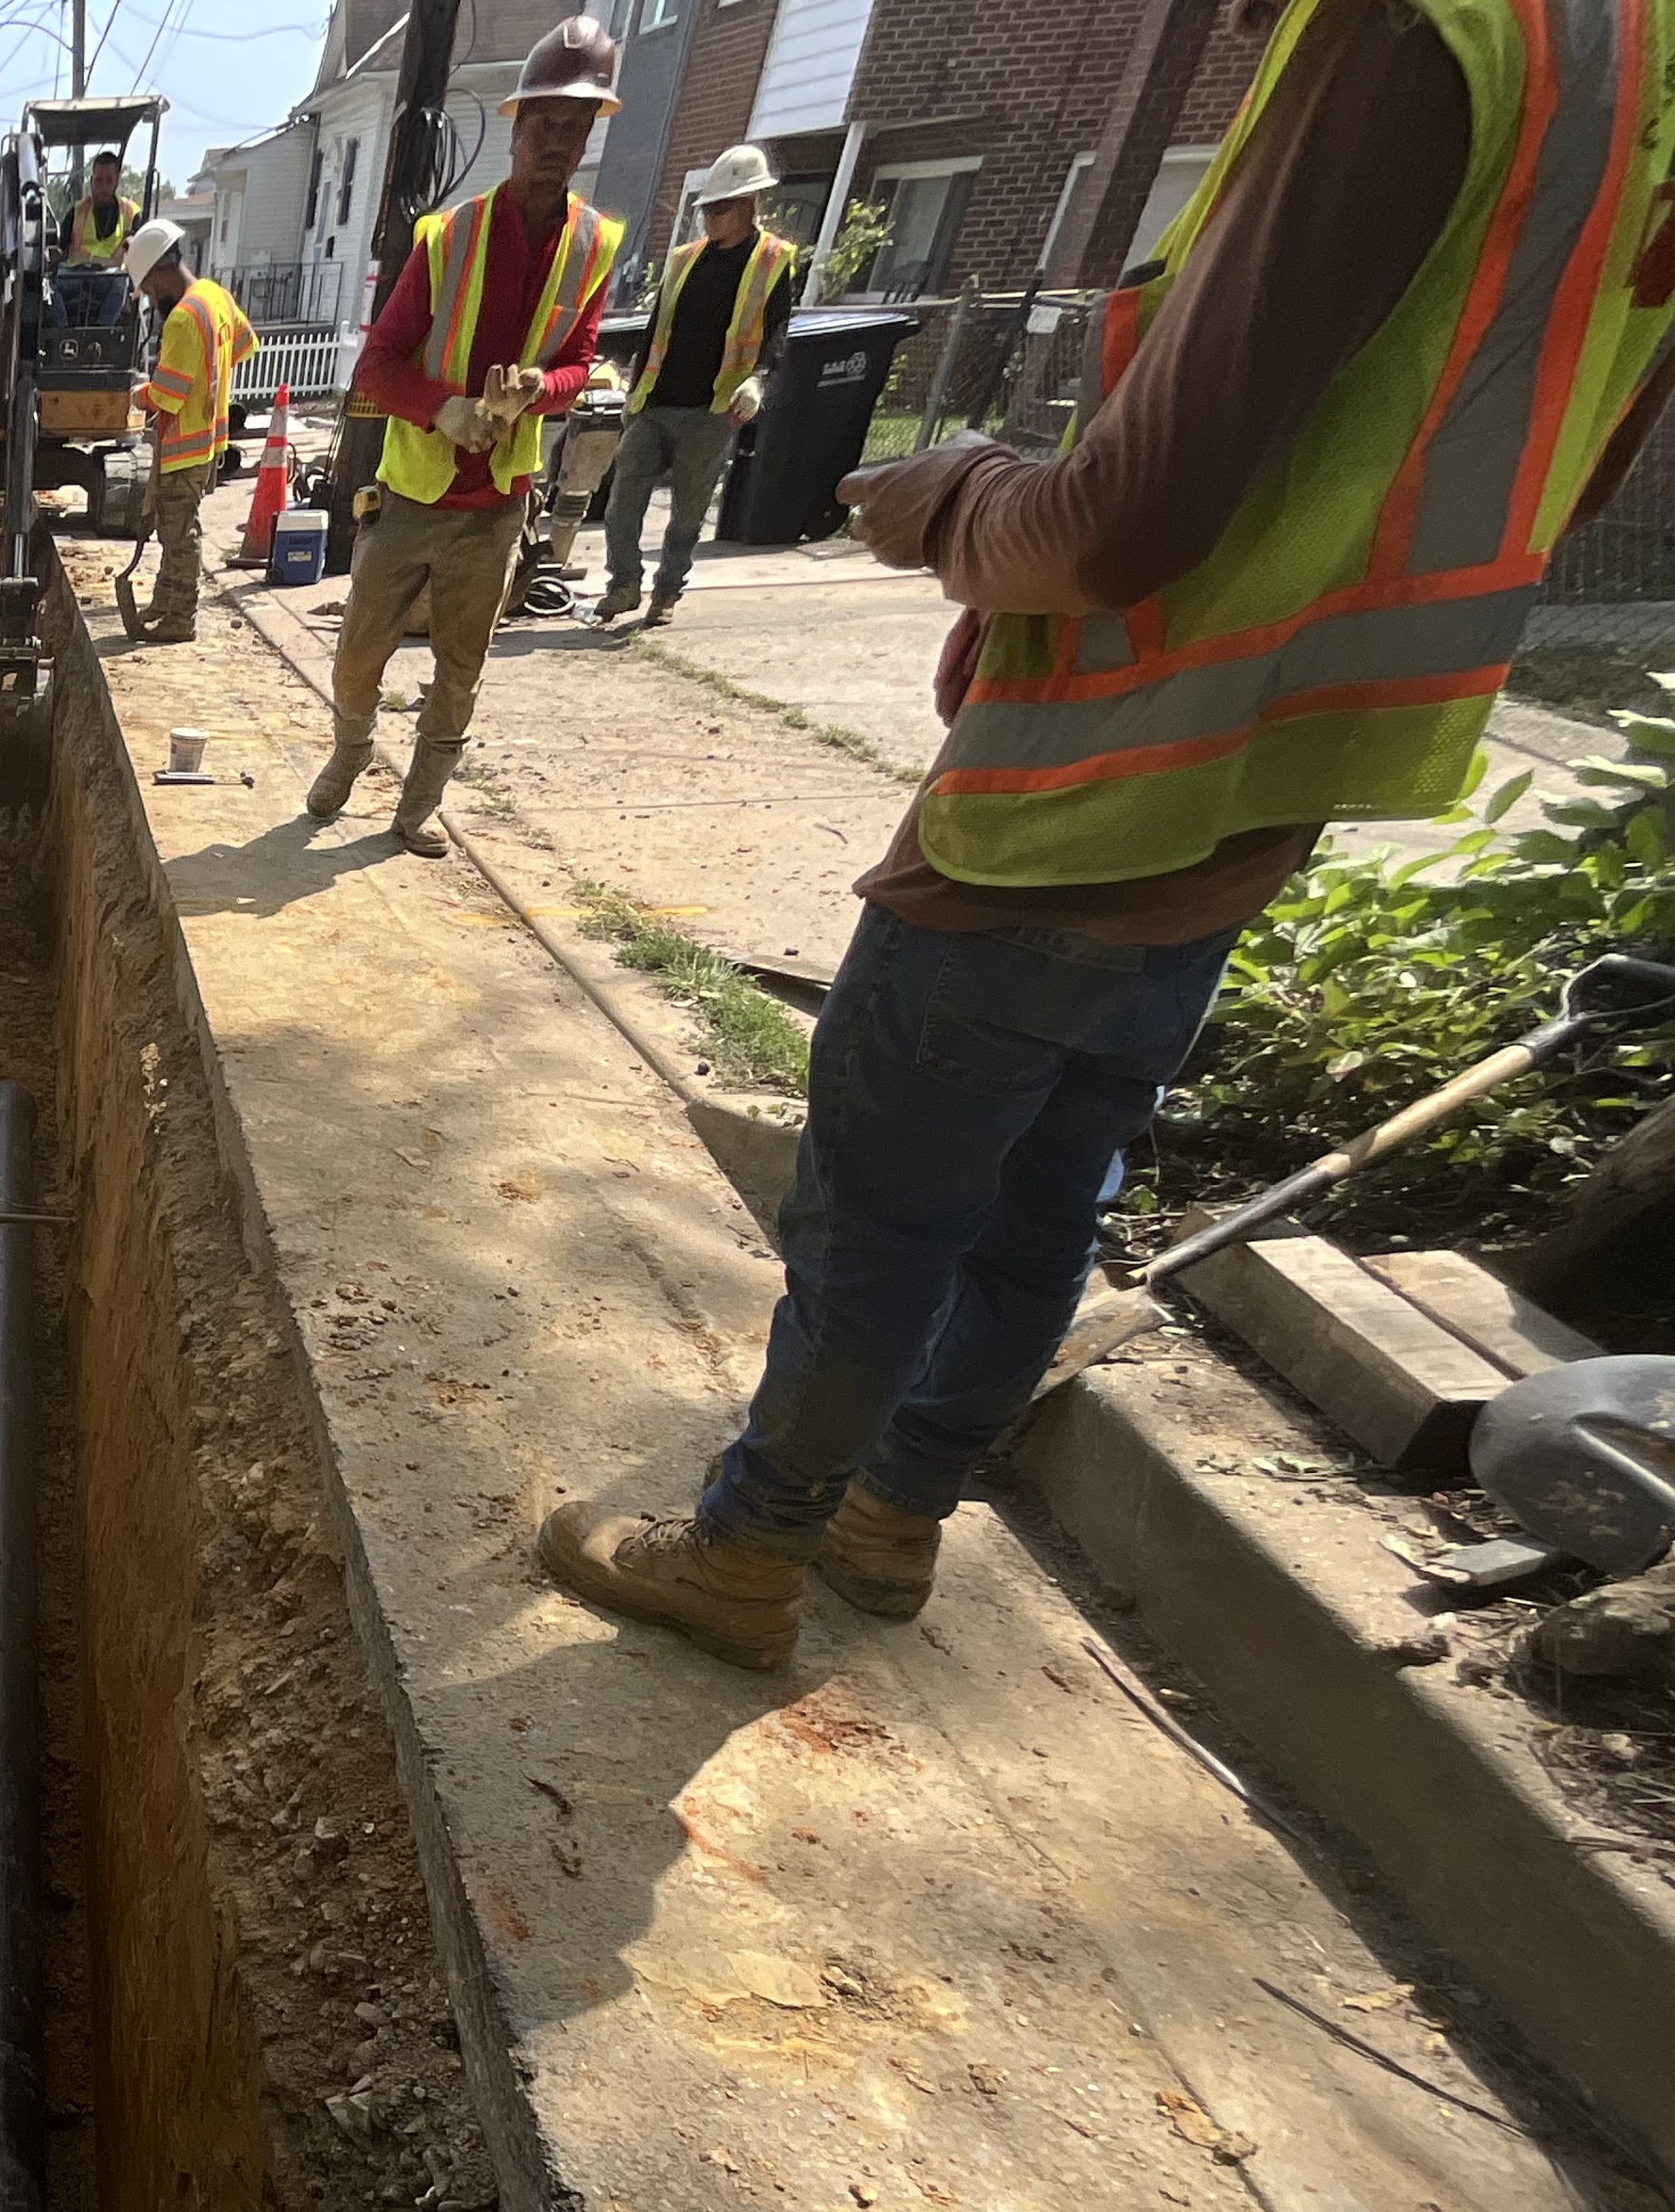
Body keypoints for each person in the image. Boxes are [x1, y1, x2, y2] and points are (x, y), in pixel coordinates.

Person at [537, 0, 1675, 1672]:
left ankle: (748, 1545)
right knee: (1045, 1198)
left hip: (1073, 798)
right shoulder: (1623, 70)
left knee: (878, 1224)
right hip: (1261, 795)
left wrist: (949, 495)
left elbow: (1113, 527)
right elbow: (1572, 474)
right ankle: (893, 1513)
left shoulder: (1419, 35)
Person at [307, 16, 626, 856]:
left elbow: (579, 363)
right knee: (360, 652)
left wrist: (539, 392)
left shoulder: (592, 247)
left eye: (575, 127)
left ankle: (418, 805)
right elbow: (377, 365)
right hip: (414, 490)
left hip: (497, 503)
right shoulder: (448, 239)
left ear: (590, 134)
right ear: (517, 127)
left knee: (460, 667)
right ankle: (350, 751)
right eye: (544, 124)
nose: (556, 143)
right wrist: (443, 409)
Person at [586, 142, 797, 630]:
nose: (709, 219)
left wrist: (758, 380)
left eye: (720, 210)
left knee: (687, 511)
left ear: (748, 205)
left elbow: (777, 330)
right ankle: (623, 584)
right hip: (656, 400)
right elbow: (656, 326)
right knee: (622, 503)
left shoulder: (771, 261)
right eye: (706, 209)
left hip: (713, 408)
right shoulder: (684, 260)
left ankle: (666, 592)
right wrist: (633, 392)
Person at [117, 219, 253, 646]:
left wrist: (139, 395)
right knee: (173, 530)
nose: (151, 298)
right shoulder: (215, 297)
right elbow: (245, 344)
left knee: (179, 536)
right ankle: (164, 602)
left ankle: (180, 617)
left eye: (149, 290)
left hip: (184, 446)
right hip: (208, 441)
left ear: (159, 274)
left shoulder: (182, 319)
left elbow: (168, 397)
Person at [61, 150, 137, 267]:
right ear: (92, 181)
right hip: (78, 276)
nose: (103, 187)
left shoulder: (131, 214)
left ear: (116, 182)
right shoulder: (76, 213)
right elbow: (61, 252)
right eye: (99, 180)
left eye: (109, 180)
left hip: (116, 277)